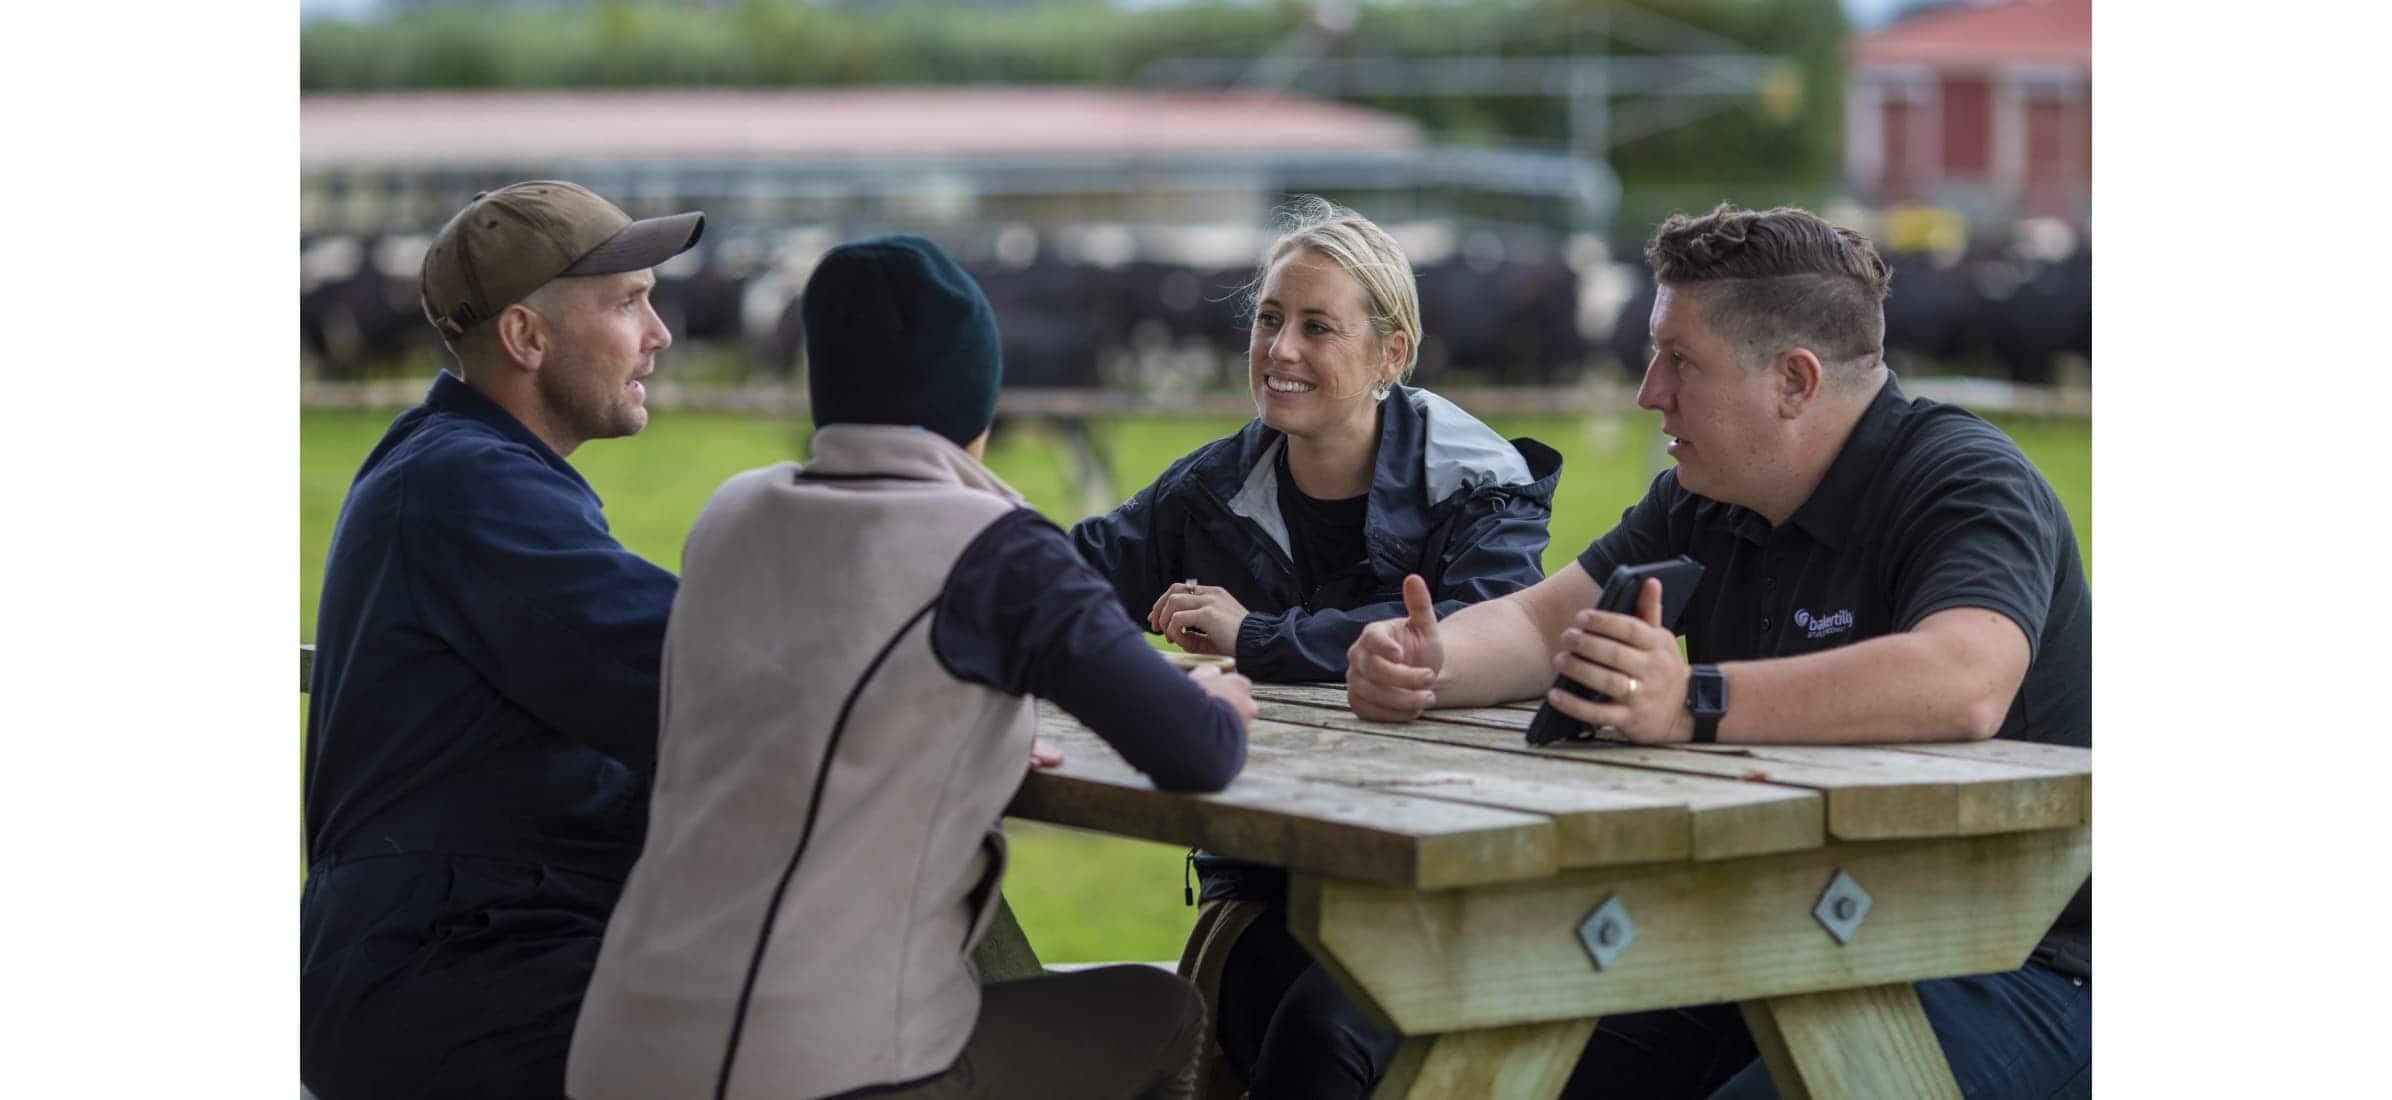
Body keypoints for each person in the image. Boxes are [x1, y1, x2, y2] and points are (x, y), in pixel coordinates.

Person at [1347, 203, 2092, 1099]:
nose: (1648, 390)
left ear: (1795, 382)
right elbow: (1547, 628)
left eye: (1681, 362)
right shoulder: (1708, 493)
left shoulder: (1967, 478)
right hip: (1792, 929)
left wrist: (1691, 700)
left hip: (2032, 959)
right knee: (1475, 1050)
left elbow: (1965, 677)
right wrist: (1430, 660)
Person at [565, 234, 1258, 1100]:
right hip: (814, 1072)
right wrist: (1224, 693)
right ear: (977, 399)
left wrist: (979, 731)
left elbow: (828, 686)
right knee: (1164, 1014)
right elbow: (1196, 751)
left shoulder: (730, 514)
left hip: (620, 1051)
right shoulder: (998, 551)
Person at [1069, 197, 1563, 1098]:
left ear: (1391, 354)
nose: (1280, 349)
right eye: (1268, 320)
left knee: (1320, 1040)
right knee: (1259, 1024)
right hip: (1273, 875)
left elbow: (1475, 626)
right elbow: (1069, 581)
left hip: (1445, 868)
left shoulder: (1483, 480)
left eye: (1317, 327)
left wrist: (1257, 638)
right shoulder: (1215, 484)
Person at [301, 181, 705, 1098]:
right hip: (453, 984)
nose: (660, 333)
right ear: (527, 338)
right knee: (839, 1035)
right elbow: (692, 662)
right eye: (628, 302)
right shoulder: (467, 486)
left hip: (459, 959)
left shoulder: (457, 465)